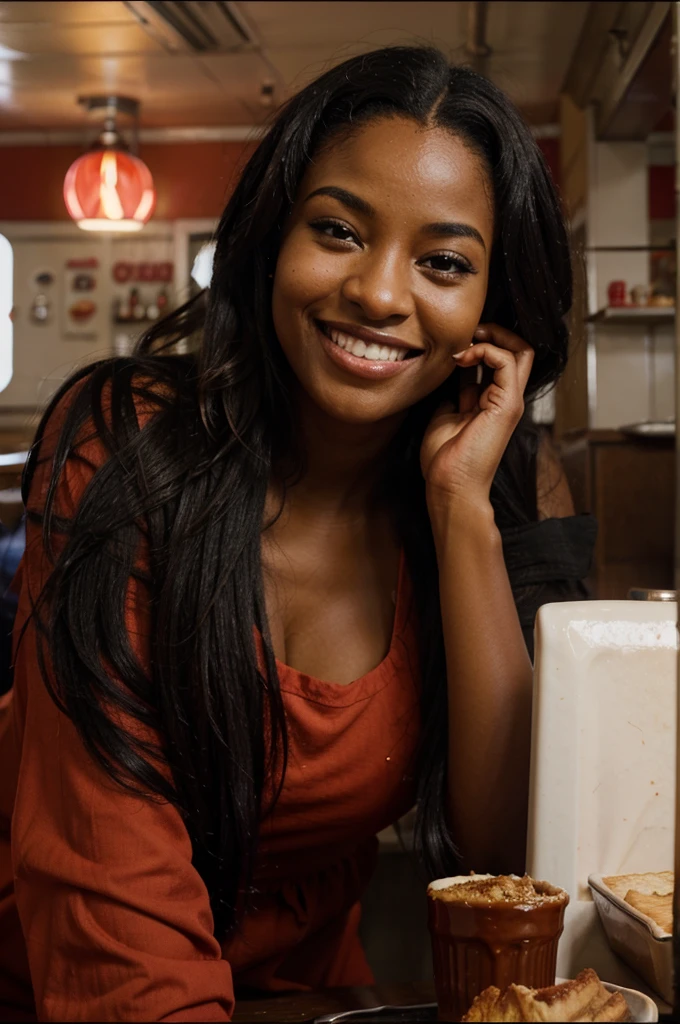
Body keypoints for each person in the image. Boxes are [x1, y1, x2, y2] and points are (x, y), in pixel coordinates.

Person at [0, 46, 595, 1022]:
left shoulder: (501, 487)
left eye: (442, 262)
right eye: (337, 230)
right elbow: (105, 881)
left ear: (491, 310)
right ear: (273, 238)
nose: (376, 292)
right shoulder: (123, 445)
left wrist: (459, 511)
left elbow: (505, 854)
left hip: (312, 998)